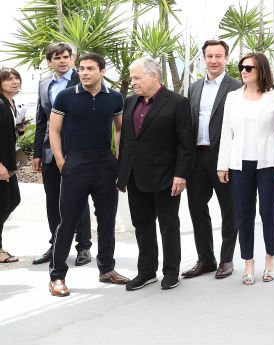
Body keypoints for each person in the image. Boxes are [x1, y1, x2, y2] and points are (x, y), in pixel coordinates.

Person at [46, 54, 130, 296]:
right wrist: (62, 162)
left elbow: (119, 128)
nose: (84, 72)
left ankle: (107, 269)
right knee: (68, 221)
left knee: (106, 220)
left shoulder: (114, 97)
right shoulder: (65, 96)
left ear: (102, 71)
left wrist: (118, 159)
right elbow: (54, 129)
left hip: (105, 162)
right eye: (81, 68)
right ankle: (57, 276)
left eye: (90, 69)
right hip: (76, 162)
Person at [118, 57, 194, 291]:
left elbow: (185, 144)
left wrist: (181, 175)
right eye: (132, 77)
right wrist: (122, 173)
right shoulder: (130, 102)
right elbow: (128, 141)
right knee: (142, 225)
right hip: (135, 176)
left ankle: (171, 272)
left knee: (168, 225)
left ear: (153, 76)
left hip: (166, 177)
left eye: (136, 77)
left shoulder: (178, 103)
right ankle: (147, 271)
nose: (133, 82)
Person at [217, 53, 274, 285]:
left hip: (268, 163)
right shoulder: (232, 97)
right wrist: (222, 165)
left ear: (261, 71)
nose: (243, 71)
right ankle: (248, 262)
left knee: (268, 212)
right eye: (241, 67)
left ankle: (270, 259)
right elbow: (227, 132)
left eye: (249, 68)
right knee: (243, 214)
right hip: (239, 164)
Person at [183, 40, 241, 280]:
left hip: (224, 159)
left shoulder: (236, 87)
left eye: (218, 56)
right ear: (204, 59)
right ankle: (206, 258)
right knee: (196, 209)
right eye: (209, 56)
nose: (214, 60)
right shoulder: (194, 87)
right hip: (197, 157)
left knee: (229, 210)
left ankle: (226, 259)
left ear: (226, 58)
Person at [31, 42, 92, 267]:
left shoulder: (83, 79)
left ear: (72, 59)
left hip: (77, 151)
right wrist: (37, 152)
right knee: (52, 201)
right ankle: (57, 244)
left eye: (66, 57)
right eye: (57, 58)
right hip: (49, 152)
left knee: (79, 198)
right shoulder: (44, 83)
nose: (62, 61)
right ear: (50, 62)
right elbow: (41, 120)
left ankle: (83, 246)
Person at [0, 68, 24, 264]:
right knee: (3, 205)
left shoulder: (10, 103)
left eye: (16, 78)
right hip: (2, 166)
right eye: (8, 79)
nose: (14, 82)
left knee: (12, 200)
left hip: (9, 163)